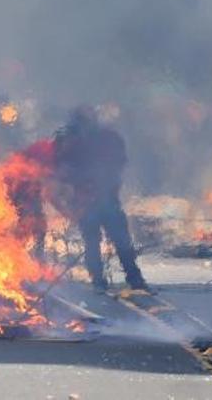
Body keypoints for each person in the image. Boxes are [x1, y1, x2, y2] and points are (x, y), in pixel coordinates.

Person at [53, 105, 151, 294]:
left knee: (116, 241)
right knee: (99, 241)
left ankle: (128, 280)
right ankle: (105, 281)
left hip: (104, 199)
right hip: (90, 201)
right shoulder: (74, 141)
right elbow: (63, 169)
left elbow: (118, 163)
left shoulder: (103, 139)